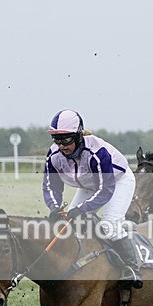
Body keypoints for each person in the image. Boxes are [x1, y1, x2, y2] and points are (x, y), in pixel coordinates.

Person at [42, 109, 142, 288]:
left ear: (79, 135)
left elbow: (106, 189)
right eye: (57, 140)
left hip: (118, 181)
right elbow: (51, 186)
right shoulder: (53, 155)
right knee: (69, 225)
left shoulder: (97, 151)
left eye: (66, 139)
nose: (61, 145)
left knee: (108, 226)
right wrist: (55, 208)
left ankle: (133, 269)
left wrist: (82, 209)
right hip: (90, 185)